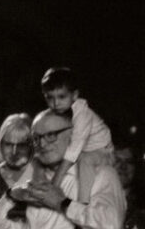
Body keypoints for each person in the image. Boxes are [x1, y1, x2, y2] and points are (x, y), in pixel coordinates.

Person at [40, 66, 114, 203]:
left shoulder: (82, 114)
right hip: (82, 151)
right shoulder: (60, 110)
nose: (55, 103)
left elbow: (74, 150)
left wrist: (55, 182)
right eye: (50, 98)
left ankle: (83, 203)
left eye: (61, 97)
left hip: (103, 151)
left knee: (85, 160)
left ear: (74, 95)